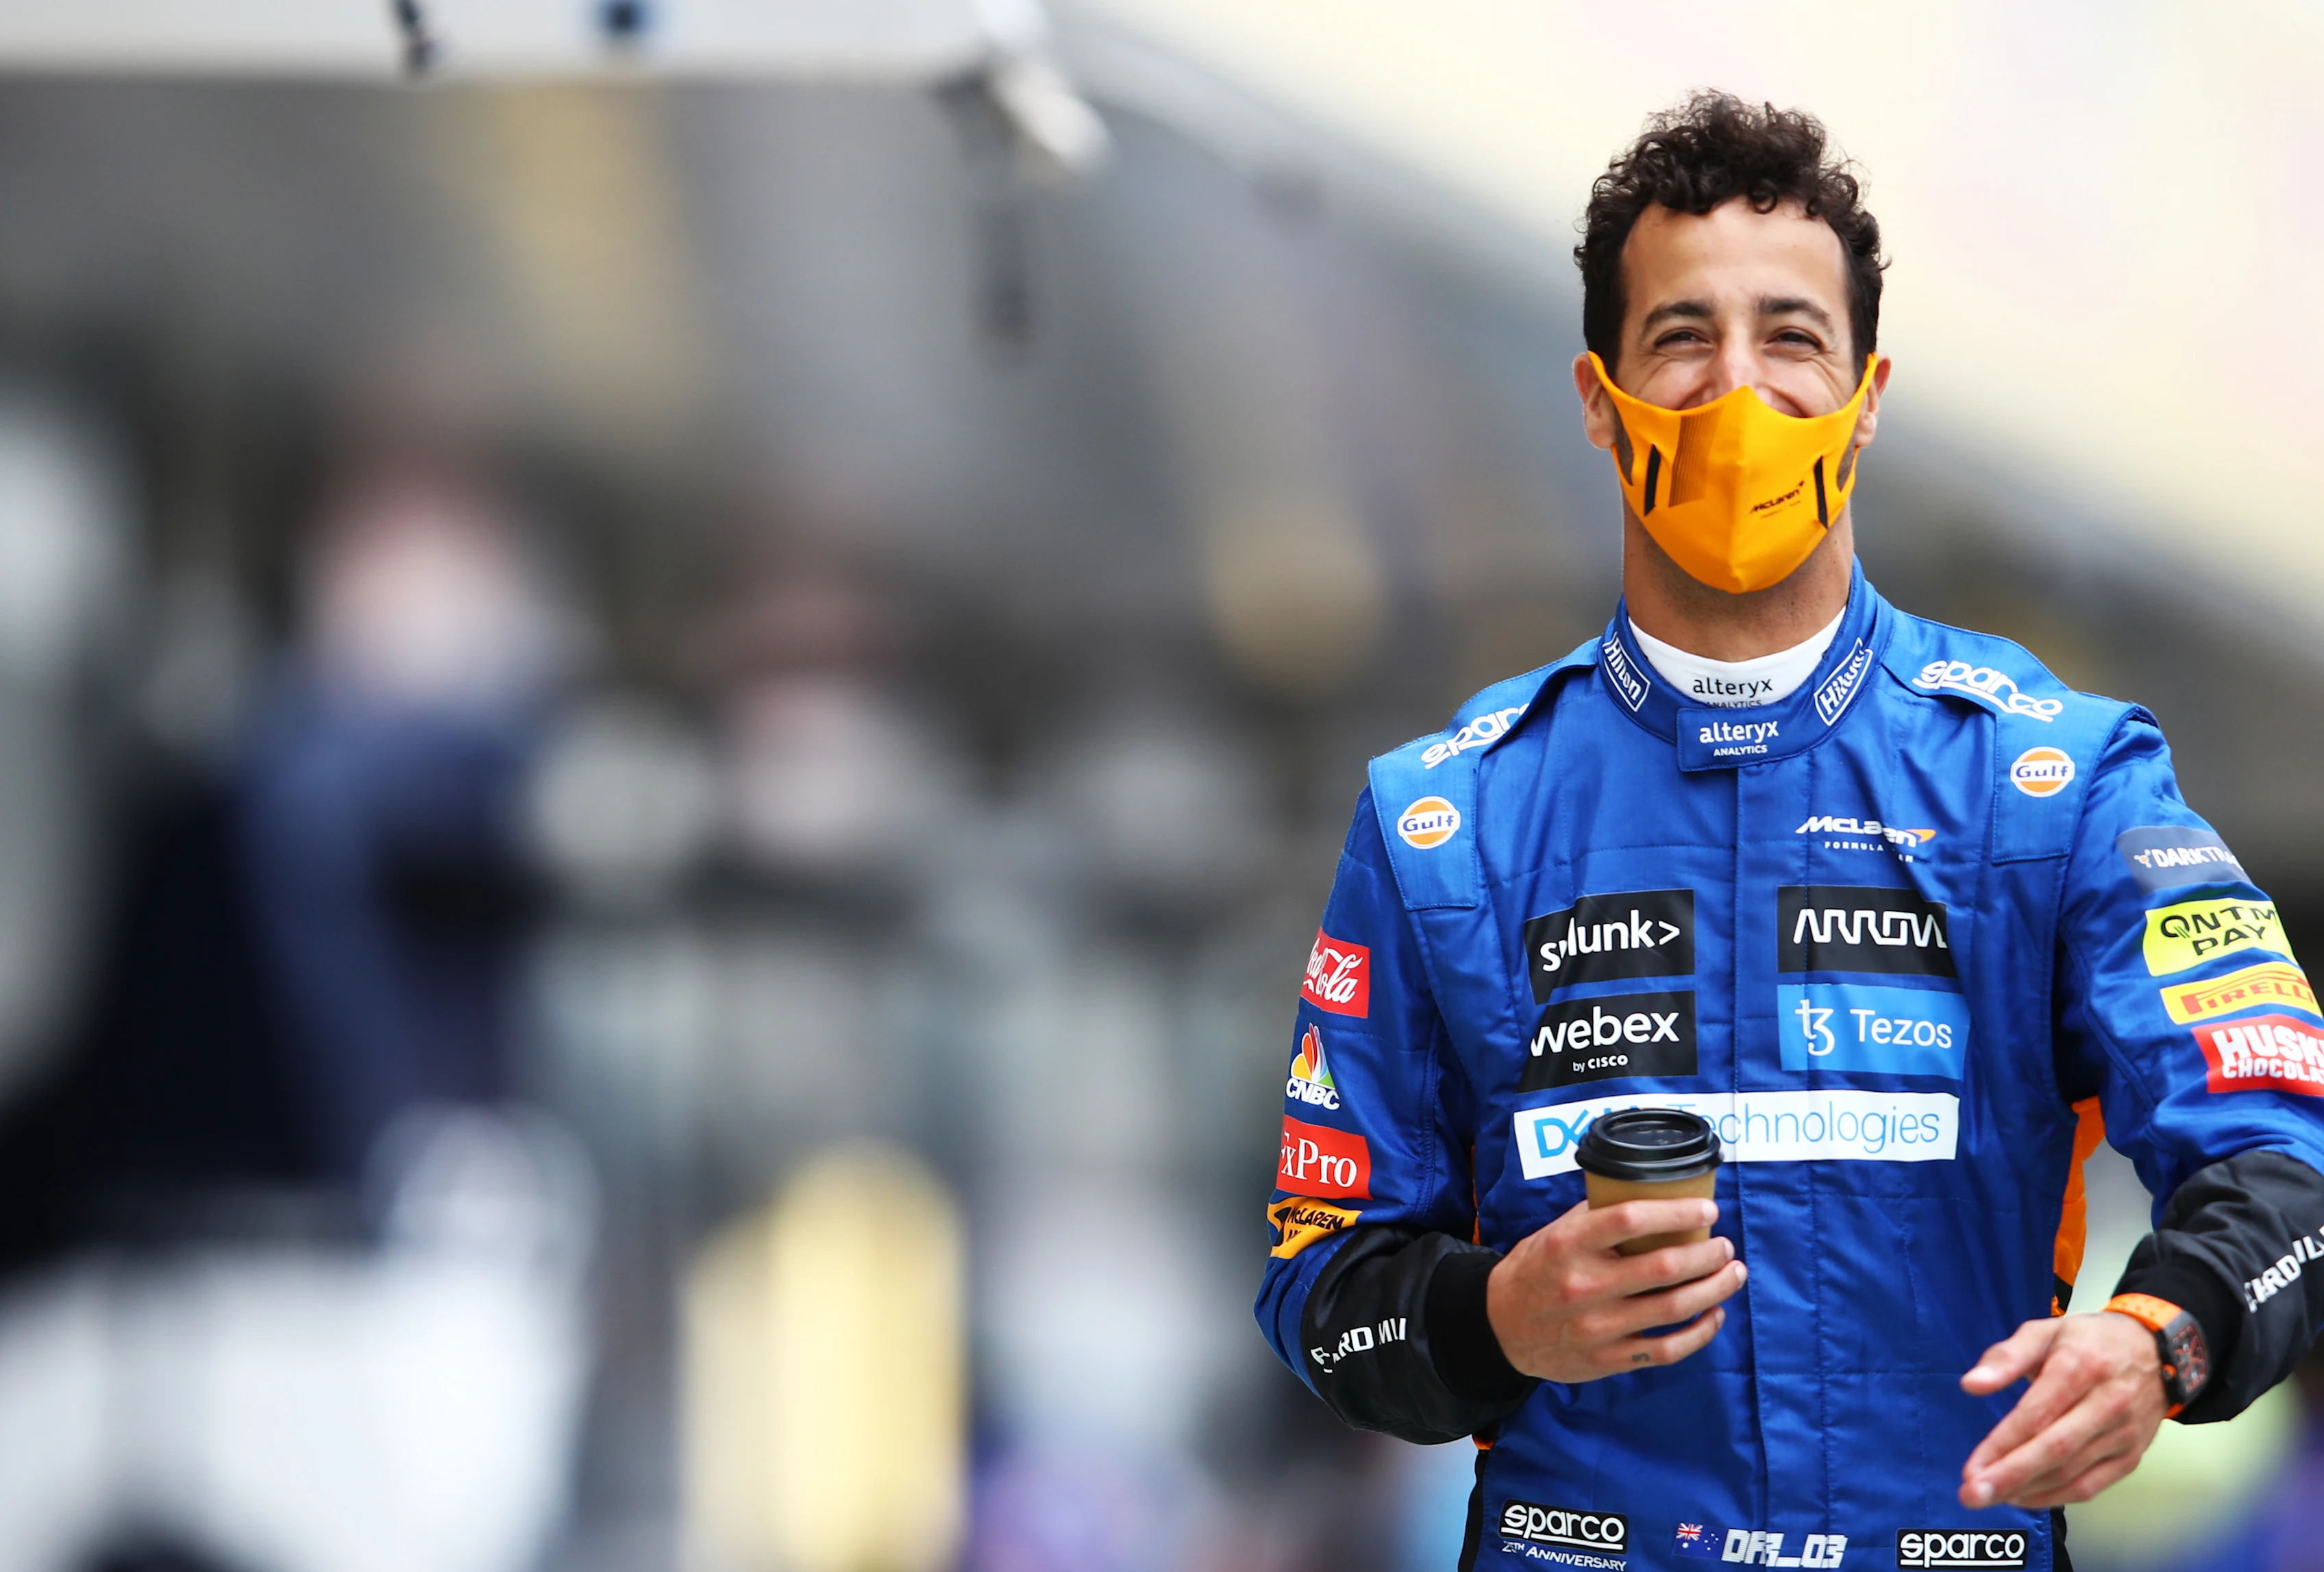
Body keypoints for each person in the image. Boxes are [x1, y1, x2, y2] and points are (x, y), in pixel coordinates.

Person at [1255, 92, 2324, 1572]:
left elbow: (2288, 1152)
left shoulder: (2056, 780)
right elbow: (1318, 1283)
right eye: (1681, 336)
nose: (1735, 388)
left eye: (1791, 337)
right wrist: (1493, 1317)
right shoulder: (1446, 819)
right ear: (1596, 393)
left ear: (1866, 394)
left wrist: (2162, 1335)